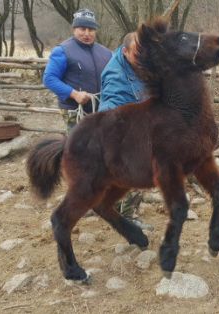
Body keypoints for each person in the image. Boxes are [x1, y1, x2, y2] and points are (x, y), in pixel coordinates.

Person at [98, 32, 150, 227]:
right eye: (138, 54)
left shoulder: (141, 60)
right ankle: (127, 217)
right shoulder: (116, 76)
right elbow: (111, 104)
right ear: (125, 51)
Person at [43, 8, 112, 133]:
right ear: (74, 29)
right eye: (82, 29)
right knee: (77, 148)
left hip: (102, 109)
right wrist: (74, 94)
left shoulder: (106, 53)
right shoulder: (62, 51)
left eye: (91, 29)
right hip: (75, 110)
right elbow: (49, 78)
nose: (87, 33)